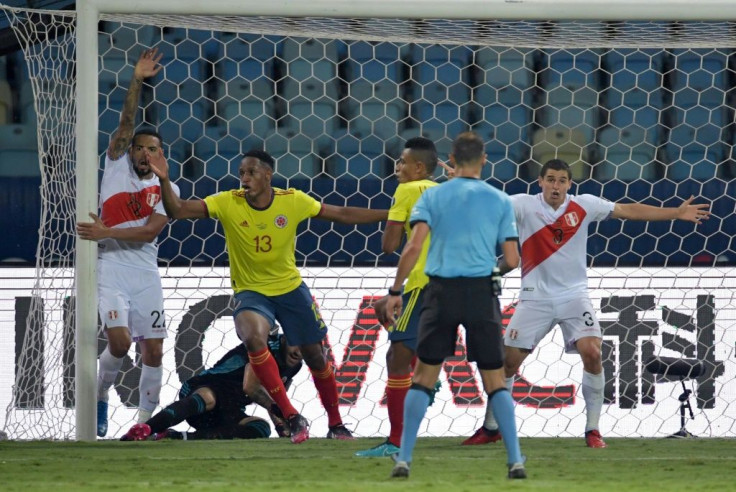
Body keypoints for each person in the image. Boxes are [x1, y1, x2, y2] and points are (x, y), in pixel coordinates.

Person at [463, 158, 711, 449]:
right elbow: (488, 205)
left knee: (592, 352)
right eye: (551, 179)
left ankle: (592, 430)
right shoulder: (522, 205)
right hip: (534, 298)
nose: (556, 186)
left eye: (562, 180)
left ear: (570, 184)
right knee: (507, 363)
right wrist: (464, 182)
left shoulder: (584, 205)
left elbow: (629, 211)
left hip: (573, 296)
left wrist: (676, 212)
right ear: (540, 182)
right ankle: (492, 427)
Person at [147, 147, 388, 444]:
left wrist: (391, 215)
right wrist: (165, 179)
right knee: (253, 338)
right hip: (252, 292)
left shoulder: (293, 200)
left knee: (315, 355)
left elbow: (340, 213)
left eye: (251, 173)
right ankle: (290, 415)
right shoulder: (227, 202)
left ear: (268, 175)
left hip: (290, 288)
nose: (244, 179)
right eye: (241, 174)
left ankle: (336, 424)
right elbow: (178, 210)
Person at [381, 132, 526, 479]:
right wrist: (489, 270)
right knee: (494, 379)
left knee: (423, 377)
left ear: (452, 159)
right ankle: (515, 459)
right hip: (480, 293)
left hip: (441, 291)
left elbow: (413, 247)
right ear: (484, 160)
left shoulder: (434, 196)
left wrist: (396, 290)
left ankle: (403, 458)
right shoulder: (499, 200)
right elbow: (512, 258)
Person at [77, 47, 180, 437]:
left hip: (145, 273)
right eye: (139, 147)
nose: (144, 153)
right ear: (129, 150)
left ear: (160, 154)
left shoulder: (166, 188)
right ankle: (102, 395)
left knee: (153, 351)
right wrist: (136, 79)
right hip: (110, 269)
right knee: (119, 344)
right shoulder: (117, 165)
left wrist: (107, 231)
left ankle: (144, 426)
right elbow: (126, 120)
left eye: (152, 148)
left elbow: (151, 231)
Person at [354, 137, 439, 458]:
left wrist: (393, 218)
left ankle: (396, 440)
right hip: (454, 281)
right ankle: (428, 375)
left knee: (396, 358)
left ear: (418, 167)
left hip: (420, 283)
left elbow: (389, 245)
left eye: (403, 162)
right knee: (381, 308)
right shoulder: (443, 191)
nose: (397, 167)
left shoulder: (405, 191)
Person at [120, 331, 303, 441]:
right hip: (209, 386)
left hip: (230, 407)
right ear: (286, 335)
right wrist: (285, 414)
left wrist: (282, 426)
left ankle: (179, 437)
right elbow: (251, 387)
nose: (299, 352)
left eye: (306, 347)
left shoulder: (295, 364)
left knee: (260, 428)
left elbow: (277, 396)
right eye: (297, 343)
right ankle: (145, 429)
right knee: (208, 398)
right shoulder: (266, 347)